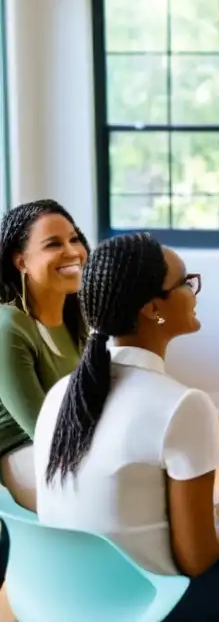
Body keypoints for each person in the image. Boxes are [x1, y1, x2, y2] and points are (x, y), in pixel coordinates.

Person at [34, 233, 219, 621]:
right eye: (186, 282)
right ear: (154, 308)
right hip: (150, 609)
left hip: (62, 601)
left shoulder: (60, 395)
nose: (194, 291)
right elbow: (196, 558)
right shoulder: (182, 405)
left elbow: (132, 516)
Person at [0, 200, 89, 587]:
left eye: (74, 239)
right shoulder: (8, 326)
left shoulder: (75, 321)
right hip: (22, 456)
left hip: (66, 446)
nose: (72, 252)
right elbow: (43, 430)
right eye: (53, 244)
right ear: (21, 262)